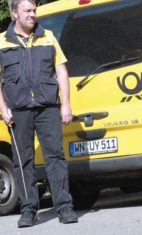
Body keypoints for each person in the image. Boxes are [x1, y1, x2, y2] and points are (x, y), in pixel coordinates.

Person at [0, 0, 78, 228]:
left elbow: (61, 72)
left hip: (48, 107)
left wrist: (66, 105)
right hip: (18, 111)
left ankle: (64, 207)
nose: (33, 14)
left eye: (34, 10)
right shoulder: (2, 42)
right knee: (23, 161)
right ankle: (28, 209)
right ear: (15, 13)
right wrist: (3, 108)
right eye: (27, 11)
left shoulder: (49, 36)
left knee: (55, 158)